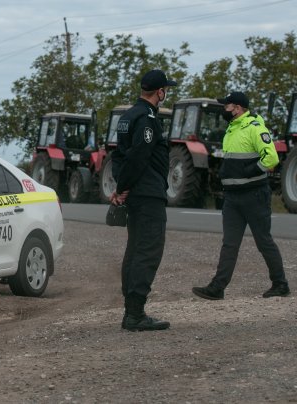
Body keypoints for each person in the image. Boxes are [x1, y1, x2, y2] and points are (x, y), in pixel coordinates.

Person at [192, 91, 290, 301]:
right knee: (229, 244)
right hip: (233, 198)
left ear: (236, 108)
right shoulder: (232, 129)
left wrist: (250, 171)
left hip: (254, 196)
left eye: (225, 106)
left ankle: (280, 284)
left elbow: (271, 158)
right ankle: (217, 288)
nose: (223, 110)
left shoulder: (255, 128)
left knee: (263, 241)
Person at [110, 69, 176, 331]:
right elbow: (138, 156)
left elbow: (118, 157)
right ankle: (135, 314)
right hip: (148, 195)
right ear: (160, 92)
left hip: (136, 193)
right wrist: (123, 186)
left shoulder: (127, 116)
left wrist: (121, 187)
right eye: (165, 90)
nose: (165, 94)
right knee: (147, 251)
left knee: (135, 249)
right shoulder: (147, 119)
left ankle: (132, 310)